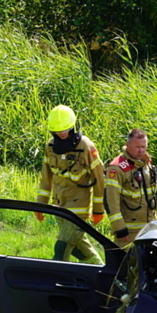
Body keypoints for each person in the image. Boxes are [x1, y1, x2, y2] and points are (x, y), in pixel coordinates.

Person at [35, 104, 105, 263]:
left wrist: (98, 210)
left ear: (73, 126)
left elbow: (99, 180)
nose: (62, 134)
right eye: (58, 131)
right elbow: (46, 178)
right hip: (59, 207)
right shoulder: (50, 146)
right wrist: (40, 205)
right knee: (80, 250)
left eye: (65, 130)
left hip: (78, 211)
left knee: (62, 248)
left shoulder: (86, 146)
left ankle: (54, 280)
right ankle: (102, 273)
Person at [105, 128, 157, 246]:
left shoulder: (145, 164)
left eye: (143, 147)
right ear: (127, 145)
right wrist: (119, 227)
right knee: (125, 262)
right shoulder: (117, 168)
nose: (141, 150)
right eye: (137, 147)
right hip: (128, 231)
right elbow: (111, 201)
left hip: (149, 227)